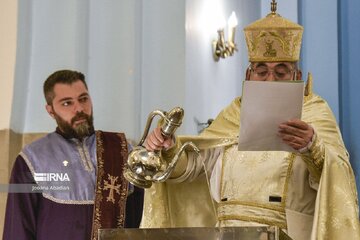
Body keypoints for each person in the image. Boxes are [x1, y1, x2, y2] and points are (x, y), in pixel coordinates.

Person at [141, 2, 360, 240]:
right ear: (248, 75)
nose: (270, 79)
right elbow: (197, 164)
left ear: (296, 75)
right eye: (261, 70)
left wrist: (313, 147)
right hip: (226, 233)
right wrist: (172, 150)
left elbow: (338, 174)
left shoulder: (314, 111)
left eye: (281, 71)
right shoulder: (233, 114)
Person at [3, 70, 144, 240]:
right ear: (50, 111)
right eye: (67, 103)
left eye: (83, 99)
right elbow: (17, 230)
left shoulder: (120, 149)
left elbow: (137, 218)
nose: (79, 109)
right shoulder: (32, 159)